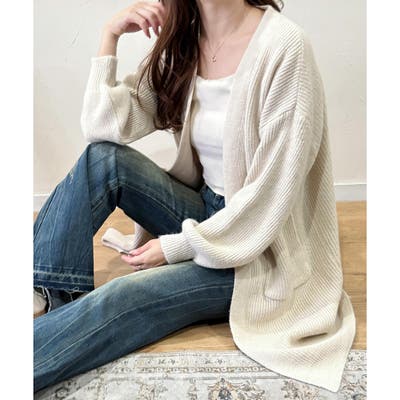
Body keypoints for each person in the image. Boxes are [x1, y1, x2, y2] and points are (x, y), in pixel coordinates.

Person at [34, 0, 356, 394]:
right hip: (207, 212)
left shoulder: (286, 48)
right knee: (101, 160)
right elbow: (103, 127)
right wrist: (110, 36)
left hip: (260, 253)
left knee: (124, 295)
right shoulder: (185, 42)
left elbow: (268, 202)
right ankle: (50, 295)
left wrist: (175, 247)